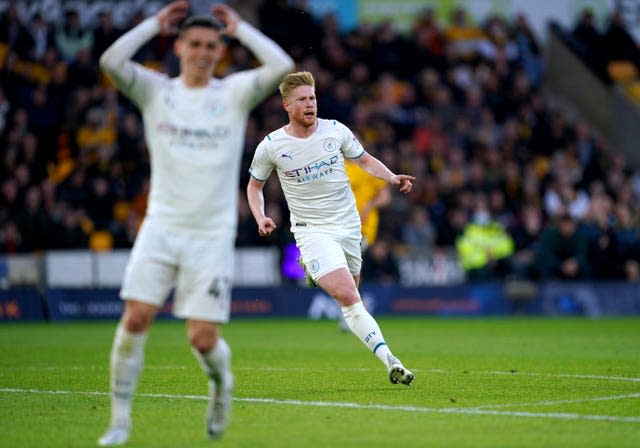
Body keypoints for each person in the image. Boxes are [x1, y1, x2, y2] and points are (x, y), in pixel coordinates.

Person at [97, 1, 294, 445]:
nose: (204, 52)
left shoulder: (233, 93)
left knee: (203, 339)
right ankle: (119, 421)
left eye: (212, 45)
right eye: (196, 44)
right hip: (161, 226)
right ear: (180, 46)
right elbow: (109, 61)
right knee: (136, 317)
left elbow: (283, 65)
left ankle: (221, 385)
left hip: (211, 235)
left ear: (219, 51)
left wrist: (240, 29)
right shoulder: (156, 91)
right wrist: (152, 23)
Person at [246, 71, 415, 386]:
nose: (310, 104)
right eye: (302, 100)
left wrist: (391, 177)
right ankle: (391, 361)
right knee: (349, 295)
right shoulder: (271, 145)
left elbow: (364, 161)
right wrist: (261, 216)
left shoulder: (335, 131)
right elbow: (254, 187)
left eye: (312, 98)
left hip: (350, 226)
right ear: (287, 105)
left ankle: (315, 269)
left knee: (352, 300)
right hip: (312, 230)